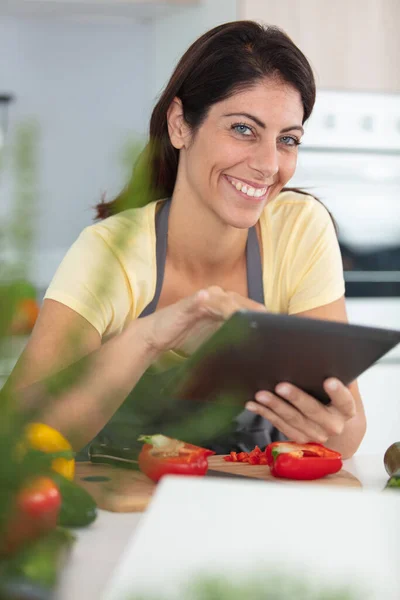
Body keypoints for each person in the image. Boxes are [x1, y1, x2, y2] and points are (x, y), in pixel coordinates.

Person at [11, 21, 366, 458]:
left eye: (287, 139)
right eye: (243, 129)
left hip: (252, 509)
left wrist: (328, 424)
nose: (269, 164)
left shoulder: (300, 229)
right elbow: (13, 435)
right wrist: (150, 336)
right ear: (180, 124)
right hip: (124, 516)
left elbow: (346, 436)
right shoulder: (109, 251)